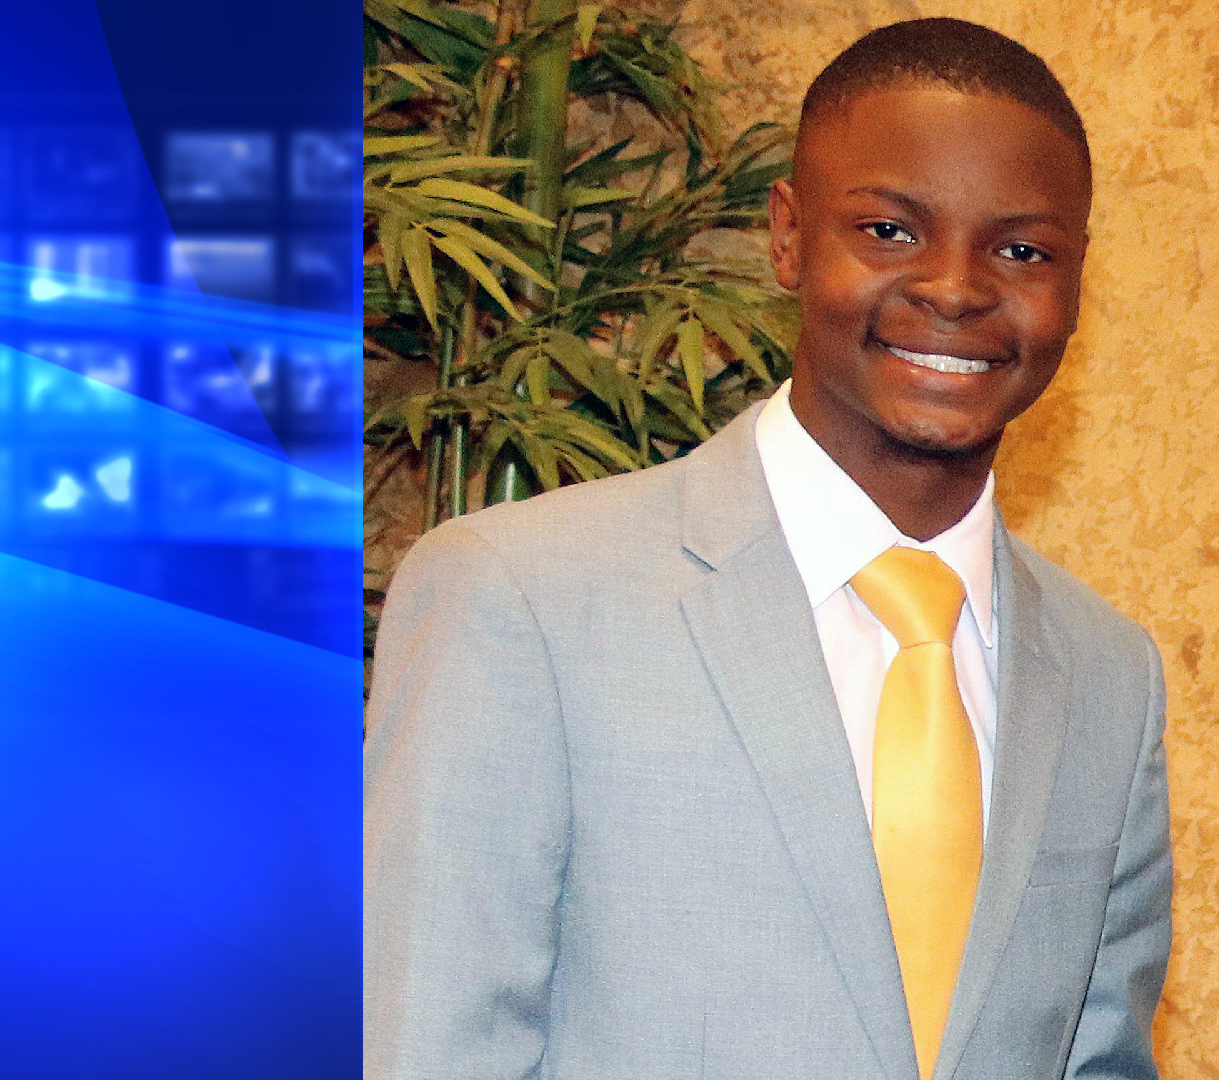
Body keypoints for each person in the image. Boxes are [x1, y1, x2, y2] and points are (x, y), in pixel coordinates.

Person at [365, 17, 1172, 1080]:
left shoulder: (1112, 677)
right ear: (788, 239)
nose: (956, 287)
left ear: (1076, 283)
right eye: (889, 230)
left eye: (1022, 250)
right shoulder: (520, 599)